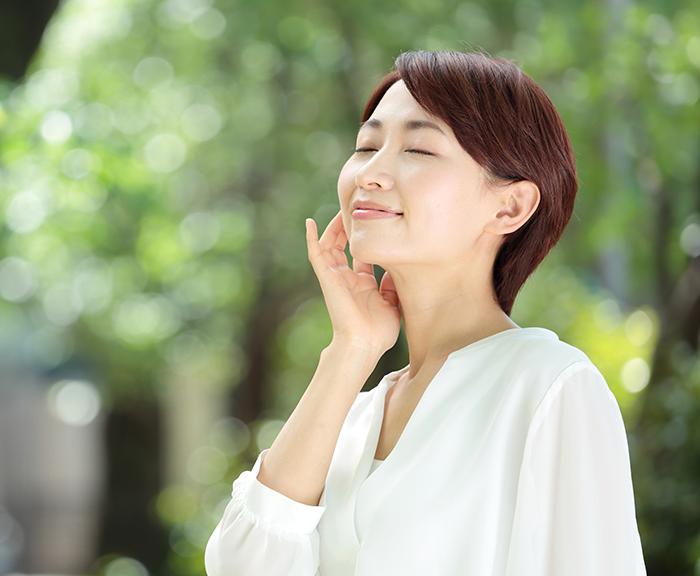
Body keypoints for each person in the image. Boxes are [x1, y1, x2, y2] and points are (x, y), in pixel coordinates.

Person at [204, 50, 646, 575]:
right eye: (366, 145)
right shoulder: (356, 415)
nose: (369, 173)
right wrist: (351, 349)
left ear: (510, 207)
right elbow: (242, 566)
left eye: (418, 148)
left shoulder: (549, 385)